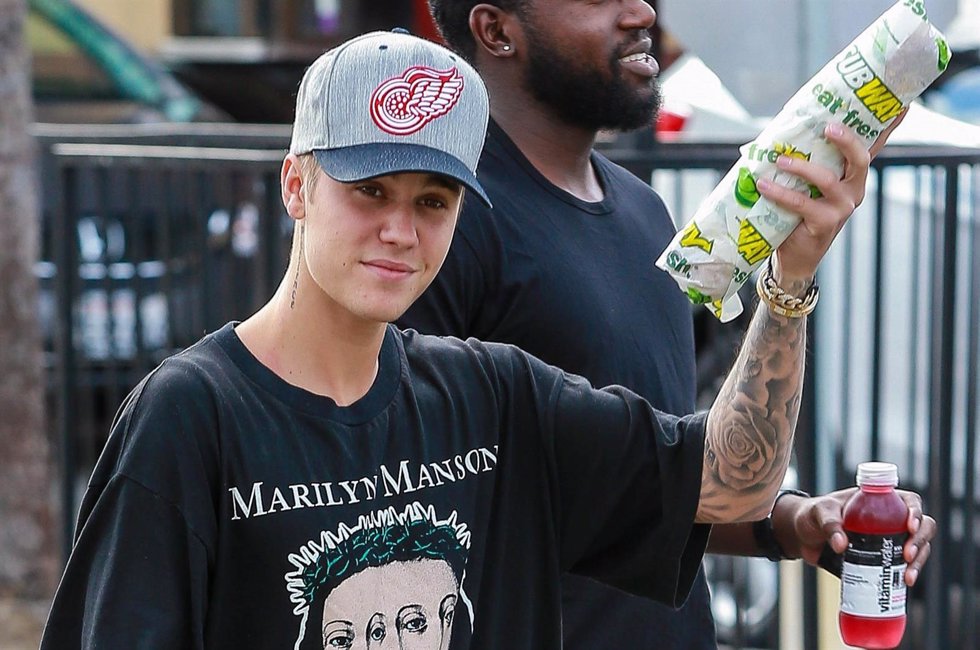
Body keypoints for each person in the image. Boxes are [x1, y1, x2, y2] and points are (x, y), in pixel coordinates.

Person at [398, 1, 937, 649]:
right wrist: (787, 284)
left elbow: (650, 485)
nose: (641, 11)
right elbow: (417, 515)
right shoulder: (446, 225)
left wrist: (792, 523)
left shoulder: (644, 213)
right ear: (496, 30)